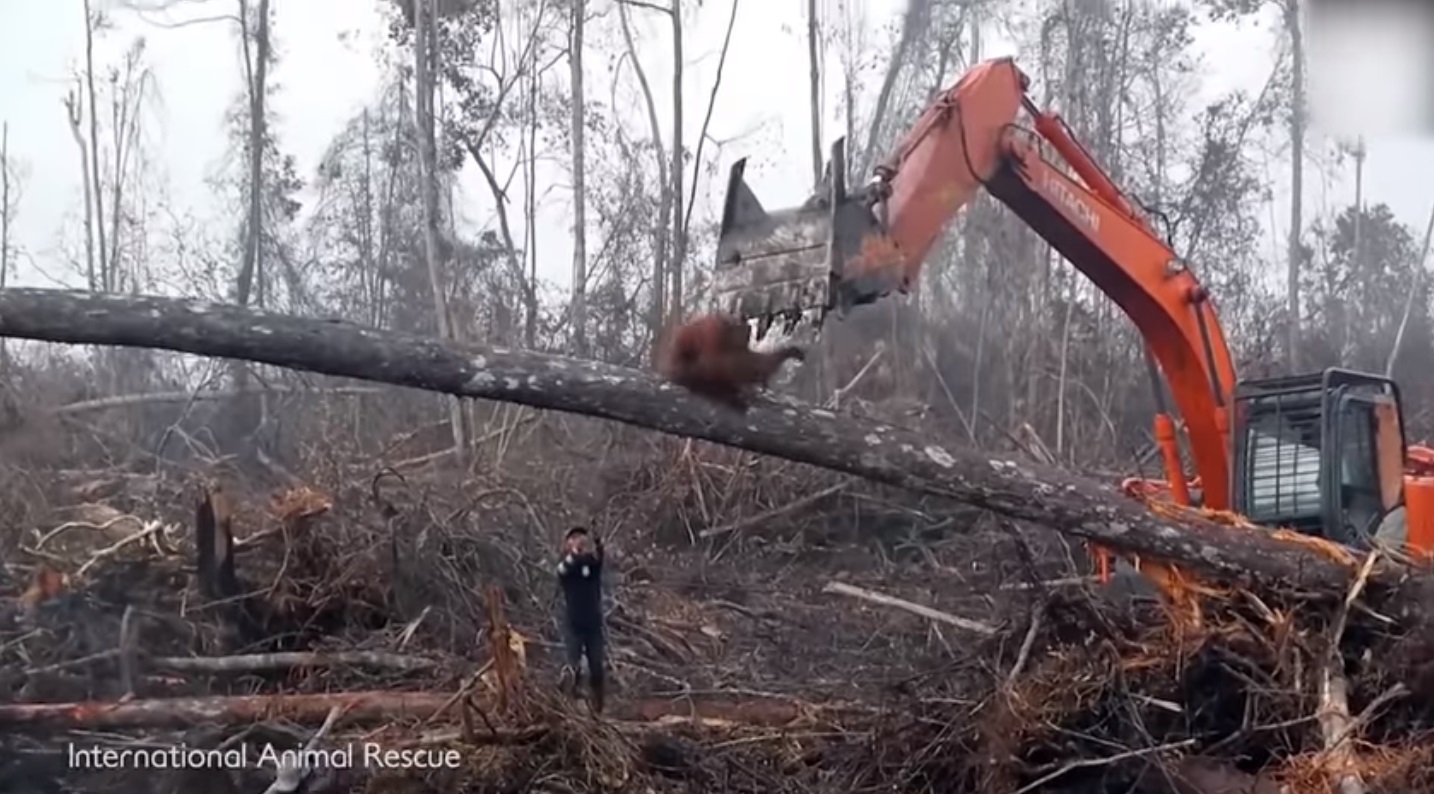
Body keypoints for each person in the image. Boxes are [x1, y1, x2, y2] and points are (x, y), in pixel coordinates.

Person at [556, 526, 606, 713]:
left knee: (596, 665)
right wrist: (574, 553)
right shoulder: (566, 564)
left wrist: (598, 542)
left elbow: (599, 559)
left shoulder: (591, 563)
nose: (579, 541)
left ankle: (598, 707)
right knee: (573, 665)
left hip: (593, 623)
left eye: (581, 538)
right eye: (574, 538)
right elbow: (562, 571)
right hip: (573, 623)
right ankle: (571, 705)